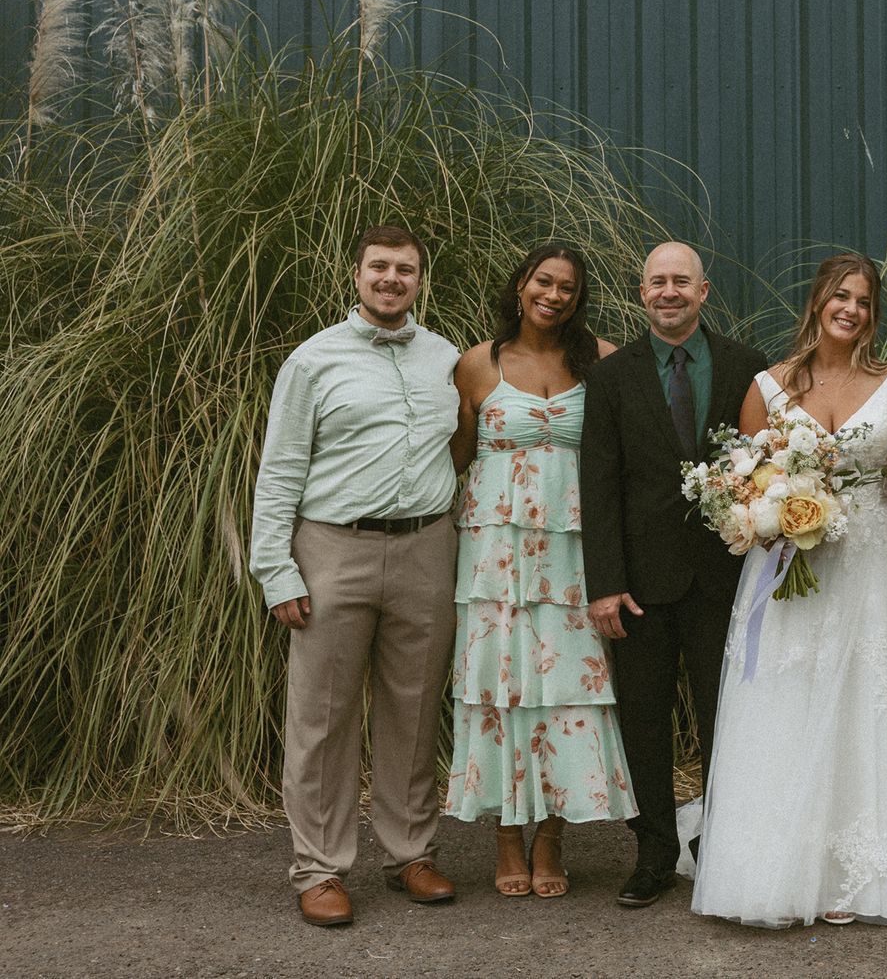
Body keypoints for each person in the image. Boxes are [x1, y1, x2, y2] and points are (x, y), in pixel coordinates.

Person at [692, 254, 887, 927]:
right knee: (786, 703)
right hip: (790, 573)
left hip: (871, 563)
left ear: (872, 313)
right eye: (839, 296)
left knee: (865, 704)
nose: (850, 308)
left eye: (863, 299)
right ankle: (778, 871)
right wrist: (758, 515)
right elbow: (745, 477)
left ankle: (858, 879)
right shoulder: (769, 386)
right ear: (818, 302)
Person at [249, 224, 463, 927]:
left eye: (405, 269)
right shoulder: (314, 362)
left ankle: (410, 854)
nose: (392, 279)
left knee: (414, 706)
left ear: (420, 280)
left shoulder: (446, 359)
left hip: (426, 548)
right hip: (333, 550)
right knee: (323, 716)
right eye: (380, 267)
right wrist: (276, 570)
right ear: (356, 274)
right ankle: (319, 868)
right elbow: (280, 470)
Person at [441, 243, 638, 898]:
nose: (553, 296)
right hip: (496, 555)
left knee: (568, 692)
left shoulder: (603, 361)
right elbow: (457, 456)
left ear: (579, 299)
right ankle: (505, 836)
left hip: (575, 550)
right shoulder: (476, 364)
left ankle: (552, 835)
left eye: (568, 289)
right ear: (521, 284)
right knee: (501, 689)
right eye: (543, 282)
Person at [580, 242, 768, 908]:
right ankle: (655, 849)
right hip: (638, 585)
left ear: (704, 291)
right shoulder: (612, 377)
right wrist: (603, 582)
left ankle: (721, 843)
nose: (669, 292)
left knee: (730, 718)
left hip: (727, 578)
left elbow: (766, 468)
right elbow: (597, 486)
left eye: (681, 282)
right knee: (644, 720)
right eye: (657, 282)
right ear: (641, 293)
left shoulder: (747, 369)